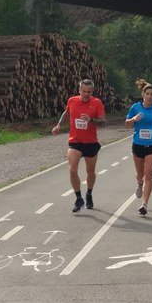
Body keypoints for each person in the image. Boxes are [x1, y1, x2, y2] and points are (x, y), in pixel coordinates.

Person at [52, 78, 105, 212]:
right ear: (79, 90)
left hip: (91, 142)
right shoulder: (72, 100)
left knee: (90, 172)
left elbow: (103, 122)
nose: (86, 94)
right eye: (84, 91)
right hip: (75, 141)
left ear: (92, 91)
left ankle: (89, 193)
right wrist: (58, 125)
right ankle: (78, 198)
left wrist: (91, 120)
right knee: (72, 170)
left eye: (89, 92)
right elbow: (66, 113)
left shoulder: (97, 102)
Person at [125, 83, 152, 216]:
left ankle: (144, 204)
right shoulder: (135, 107)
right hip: (138, 144)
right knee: (140, 174)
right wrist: (133, 119)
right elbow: (126, 124)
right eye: (147, 94)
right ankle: (139, 183)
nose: (149, 96)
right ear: (143, 95)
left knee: (148, 174)